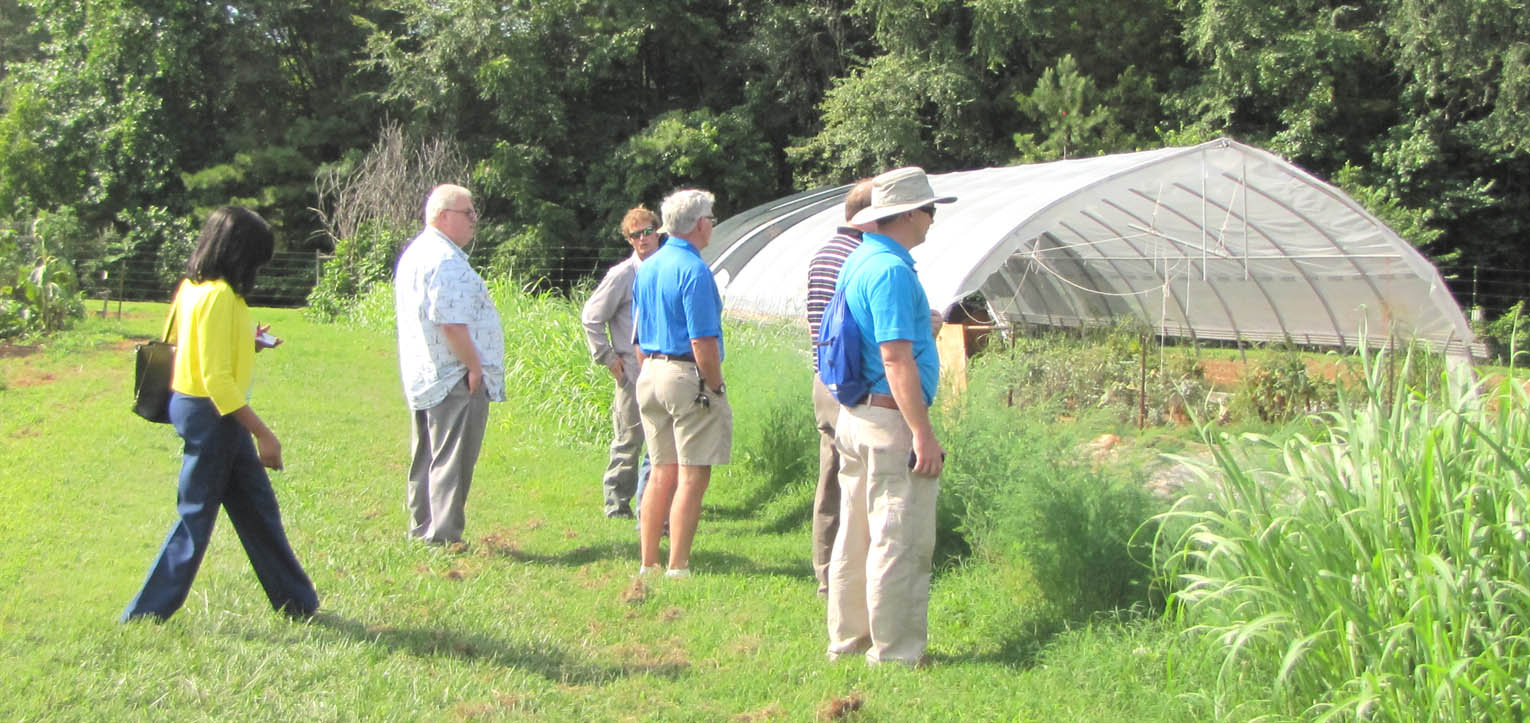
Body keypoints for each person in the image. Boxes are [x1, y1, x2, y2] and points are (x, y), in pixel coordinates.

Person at [120, 206, 318, 622]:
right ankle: (144, 614)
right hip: (213, 415)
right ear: (240, 253)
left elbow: (187, 343)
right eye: (257, 259)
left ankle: (298, 603)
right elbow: (216, 379)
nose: (259, 269)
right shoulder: (220, 296)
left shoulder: (194, 288)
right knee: (195, 518)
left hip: (197, 409)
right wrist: (264, 433)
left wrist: (249, 341)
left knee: (257, 509)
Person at [826, 167, 956, 666]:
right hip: (888, 422)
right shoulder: (893, 270)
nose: (932, 220)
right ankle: (897, 653)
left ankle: (849, 638)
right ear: (905, 214)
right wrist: (922, 434)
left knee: (855, 535)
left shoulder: (861, 259)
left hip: (856, 415)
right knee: (898, 540)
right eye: (930, 210)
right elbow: (895, 359)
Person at [394, 184, 506, 546]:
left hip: (426, 372)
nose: (475, 220)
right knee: (451, 461)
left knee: (426, 456)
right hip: (453, 375)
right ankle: (443, 537)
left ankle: (421, 528)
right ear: (443, 216)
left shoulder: (417, 253)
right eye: (468, 213)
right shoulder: (444, 261)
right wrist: (474, 366)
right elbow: (451, 323)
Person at [632, 188, 731, 579]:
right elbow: (702, 339)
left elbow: (638, 336)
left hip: (650, 372)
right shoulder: (694, 270)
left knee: (661, 470)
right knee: (693, 473)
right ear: (700, 224)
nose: (712, 226)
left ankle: (648, 563)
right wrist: (716, 385)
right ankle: (678, 565)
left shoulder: (649, 267)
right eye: (712, 219)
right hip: (684, 373)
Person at [806, 179, 874, 597]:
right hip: (849, 383)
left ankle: (826, 570)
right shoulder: (858, 257)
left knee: (830, 474)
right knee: (855, 478)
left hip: (823, 377)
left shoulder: (823, 253)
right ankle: (848, 575)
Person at [581, 206, 661, 519]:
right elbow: (591, 317)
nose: (643, 239)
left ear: (658, 232)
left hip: (661, 367)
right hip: (631, 371)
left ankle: (653, 500)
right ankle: (617, 503)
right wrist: (607, 357)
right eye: (635, 234)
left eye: (648, 231)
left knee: (662, 442)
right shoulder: (623, 275)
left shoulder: (664, 269)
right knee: (629, 440)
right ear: (629, 240)